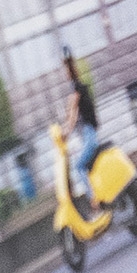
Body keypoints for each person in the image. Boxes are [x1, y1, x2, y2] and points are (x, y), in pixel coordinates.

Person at [59, 51, 99, 208]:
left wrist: (66, 131)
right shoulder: (76, 88)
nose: (64, 73)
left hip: (89, 134)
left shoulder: (77, 88)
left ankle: (93, 199)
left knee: (78, 166)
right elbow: (70, 113)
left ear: (69, 70)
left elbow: (73, 114)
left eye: (65, 70)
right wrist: (62, 128)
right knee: (78, 162)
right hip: (87, 134)